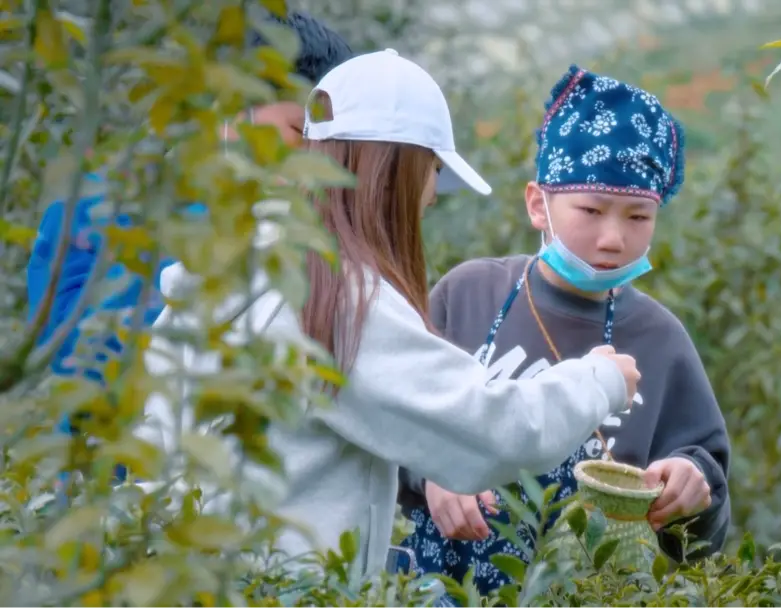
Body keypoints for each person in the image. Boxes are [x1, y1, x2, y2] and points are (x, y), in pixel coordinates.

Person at [133, 50, 643, 578]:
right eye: (433, 172)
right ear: (397, 170)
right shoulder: (332, 298)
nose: (429, 199)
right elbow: (494, 429)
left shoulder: (235, 264)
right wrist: (600, 379)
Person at [397, 65, 732, 596]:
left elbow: (706, 532)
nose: (612, 239)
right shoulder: (467, 295)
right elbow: (390, 427)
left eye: (638, 217)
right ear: (538, 204)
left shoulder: (661, 341)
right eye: (591, 209)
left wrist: (694, 486)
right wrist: (427, 476)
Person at [24, 10, 354, 461]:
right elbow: (83, 371)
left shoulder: (300, 237)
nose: (311, 158)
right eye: (299, 131)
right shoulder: (92, 218)